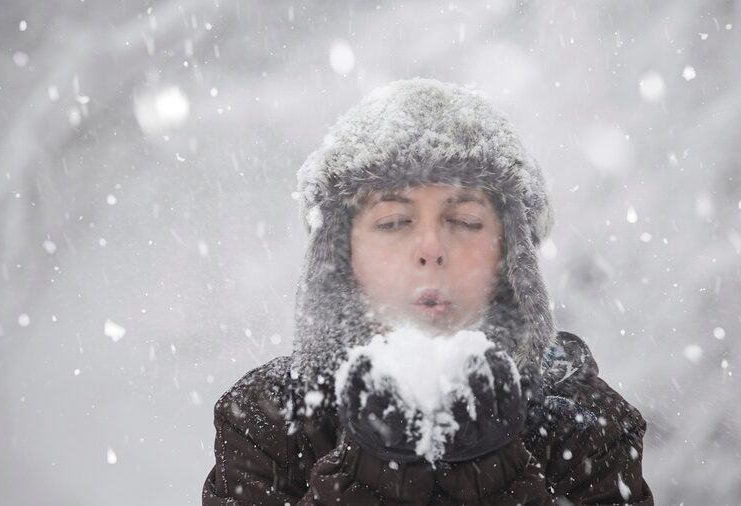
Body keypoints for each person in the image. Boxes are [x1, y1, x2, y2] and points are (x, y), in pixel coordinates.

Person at [202, 78, 654, 505]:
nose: (432, 248)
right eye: (394, 222)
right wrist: (371, 473)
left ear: (510, 255)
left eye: (464, 221)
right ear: (342, 254)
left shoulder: (584, 422)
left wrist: (497, 476)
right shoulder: (267, 421)